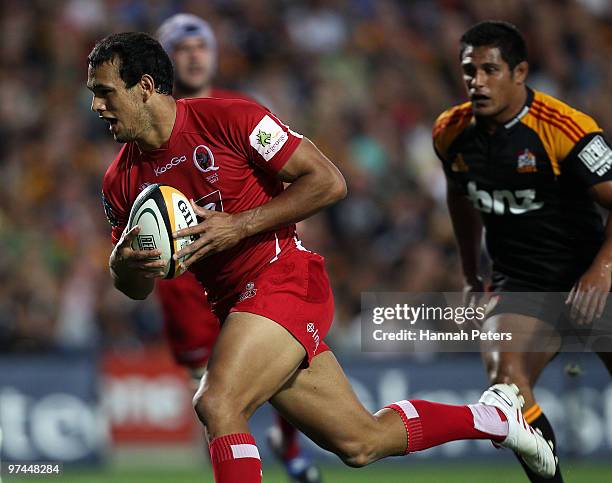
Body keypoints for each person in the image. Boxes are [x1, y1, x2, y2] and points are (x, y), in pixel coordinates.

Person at [89, 32, 554, 483]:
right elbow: (136, 287)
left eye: (106, 92)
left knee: (218, 403)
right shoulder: (119, 183)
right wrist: (123, 264)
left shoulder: (229, 117)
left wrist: (239, 224)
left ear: (145, 87)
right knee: (361, 442)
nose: (97, 106)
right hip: (237, 306)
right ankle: (495, 417)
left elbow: (329, 181)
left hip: (283, 277)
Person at [434, 20, 612, 483]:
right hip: (524, 284)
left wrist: (603, 268)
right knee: (505, 383)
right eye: (469, 70)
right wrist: (472, 270)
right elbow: (461, 196)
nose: (477, 81)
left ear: (520, 72)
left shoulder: (566, 129)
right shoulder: (450, 133)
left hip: (591, 272)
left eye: (491, 69)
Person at [154, 14, 321, 482]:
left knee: (247, 381)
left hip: (253, 265)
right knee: (211, 396)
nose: (193, 55)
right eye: (180, 48)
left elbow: (305, 178)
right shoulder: (144, 133)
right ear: (161, 64)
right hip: (187, 281)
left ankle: (287, 446)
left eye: (200, 46)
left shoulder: (239, 110)